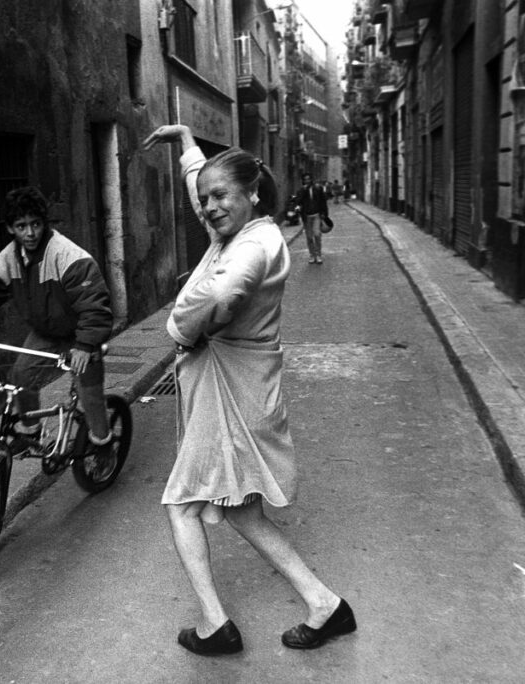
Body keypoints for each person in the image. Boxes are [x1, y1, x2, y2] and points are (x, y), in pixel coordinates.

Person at [141, 124, 356, 656]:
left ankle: (215, 625)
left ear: (251, 194)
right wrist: (189, 142)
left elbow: (228, 290)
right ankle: (326, 605)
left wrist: (178, 329)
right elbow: (203, 189)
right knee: (240, 511)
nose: (209, 207)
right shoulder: (228, 231)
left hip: (235, 394)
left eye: (220, 197)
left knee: (182, 505)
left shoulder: (255, 244)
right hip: (231, 392)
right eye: (204, 199)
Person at [0, 186, 116, 467]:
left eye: (35, 224)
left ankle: (103, 444)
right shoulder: (9, 258)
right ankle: (31, 433)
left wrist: (85, 345)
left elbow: (93, 303)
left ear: (44, 223)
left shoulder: (66, 255)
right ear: (10, 228)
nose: (30, 233)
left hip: (81, 334)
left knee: (89, 393)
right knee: (20, 377)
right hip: (45, 333)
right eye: (21, 226)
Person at [294, 172, 331, 264]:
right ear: (303, 181)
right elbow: (298, 201)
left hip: (316, 216)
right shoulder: (301, 190)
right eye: (305, 179)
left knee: (317, 234)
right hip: (306, 217)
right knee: (309, 237)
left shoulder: (318, 189)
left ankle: (318, 255)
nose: (307, 181)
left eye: (308, 179)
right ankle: (312, 255)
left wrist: (325, 214)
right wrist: (303, 191)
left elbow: (323, 202)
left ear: (311, 180)